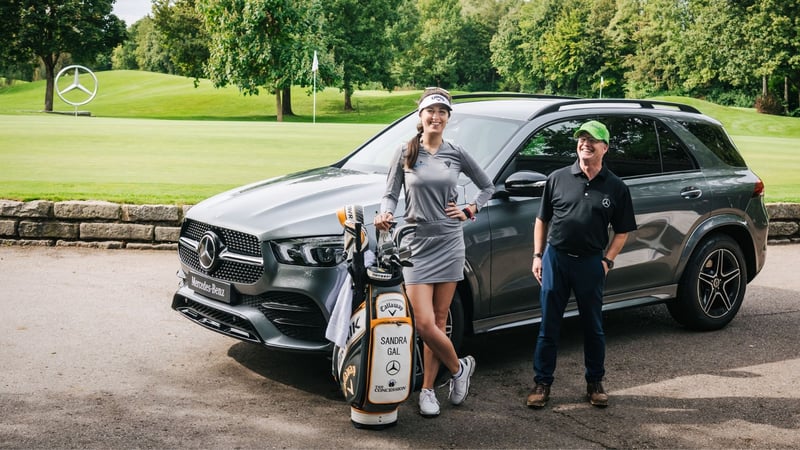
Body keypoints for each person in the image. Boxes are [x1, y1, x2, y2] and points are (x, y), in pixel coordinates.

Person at [374, 87, 495, 417]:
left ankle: (428, 390)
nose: (436, 117)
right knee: (423, 323)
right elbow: (390, 195)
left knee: (440, 321)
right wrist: (384, 214)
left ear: (447, 118)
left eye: (442, 112)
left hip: (449, 242)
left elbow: (488, 187)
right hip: (415, 245)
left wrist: (470, 210)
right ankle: (459, 369)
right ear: (420, 116)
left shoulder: (456, 152)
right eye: (431, 111)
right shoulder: (405, 152)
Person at [527, 120, 637, 409]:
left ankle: (595, 383)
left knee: (593, 326)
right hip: (556, 259)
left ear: (605, 147)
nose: (585, 143)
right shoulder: (558, 178)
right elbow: (542, 219)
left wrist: (607, 261)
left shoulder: (615, 187)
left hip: (590, 263)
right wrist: (538, 256)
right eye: (581, 139)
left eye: (592, 140)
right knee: (549, 325)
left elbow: (622, 231)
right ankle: (542, 383)